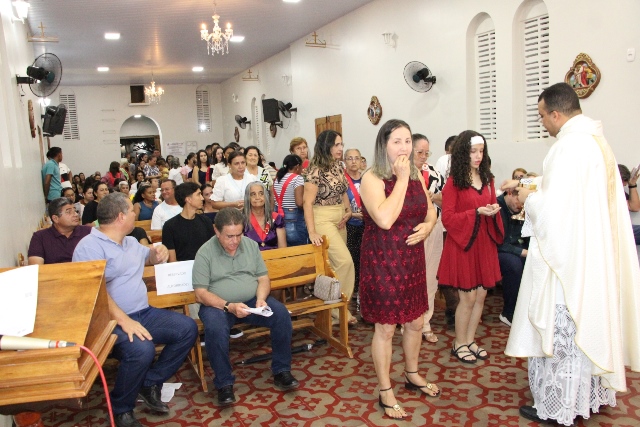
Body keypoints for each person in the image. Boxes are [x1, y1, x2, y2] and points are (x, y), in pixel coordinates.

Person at [503, 82, 640, 425]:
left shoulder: (567, 147)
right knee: (585, 328)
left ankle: (557, 407)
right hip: (590, 254)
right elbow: (573, 192)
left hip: (568, 262)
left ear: (555, 114)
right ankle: (586, 397)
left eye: (541, 116)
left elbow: (553, 211)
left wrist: (528, 197)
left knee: (562, 332)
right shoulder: (594, 141)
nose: (542, 123)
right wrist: (534, 183)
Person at [72, 192, 198, 427]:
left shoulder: (129, 242)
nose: (135, 214)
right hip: (109, 322)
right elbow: (96, 292)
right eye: (131, 211)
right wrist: (124, 320)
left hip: (143, 312)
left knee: (187, 328)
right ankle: (122, 409)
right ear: (121, 216)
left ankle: (148, 382)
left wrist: (158, 252)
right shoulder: (89, 247)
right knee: (142, 350)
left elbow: (149, 258)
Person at [359, 119, 439, 420]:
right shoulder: (372, 178)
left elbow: (429, 210)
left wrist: (429, 225)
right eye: (397, 141)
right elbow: (384, 219)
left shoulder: (417, 174)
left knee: (416, 321)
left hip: (412, 259)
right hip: (383, 260)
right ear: (384, 145)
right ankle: (385, 390)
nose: (404, 147)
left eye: (407, 141)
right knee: (386, 327)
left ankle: (412, 373)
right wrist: (402, 179)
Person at [192, 208, 299, 406]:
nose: (235, 241)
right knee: (215, 328)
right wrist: (228, 306)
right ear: (216, 231)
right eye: (229, 236)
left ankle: (282, 370)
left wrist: (261, 298)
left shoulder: (249, 245)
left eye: (238, 235)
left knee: (281, 315)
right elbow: (200, 293)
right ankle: (224, 383)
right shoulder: (205, 252)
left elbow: (263, 278)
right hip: (217, 304)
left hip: (251, 302)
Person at [438, 130, 504, 364]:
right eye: (473, 151)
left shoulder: (487, 178)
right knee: (468, 297)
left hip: (484, 242)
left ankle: (470, 339)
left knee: (481, 296)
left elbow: (491, 203)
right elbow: (448, 218)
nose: (478, 156)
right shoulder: (454, 183)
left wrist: (493, 210)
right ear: (463, 153)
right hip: (464, 243)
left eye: (481, 151)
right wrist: (475, 212)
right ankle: (459, 343)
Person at [303, 130, 357, 325]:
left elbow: (343, 191)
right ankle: (338, 308)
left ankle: (333, 308)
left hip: (339, 217)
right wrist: (312, 231)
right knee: (345, 262)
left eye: (341, 144)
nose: (340, 148)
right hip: (322, 218)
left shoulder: (338, 166)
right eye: (336, 145)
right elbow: (307, 203)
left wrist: (348, 210)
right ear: (326, 146)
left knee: (333, 267)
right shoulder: (314, 170)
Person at [412, 133, 444, 343]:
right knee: (412, 278)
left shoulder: (433, 173)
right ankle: (410, 322)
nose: (424, 157)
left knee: (430, 278)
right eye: (420, 152)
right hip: (412, 230)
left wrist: (434, 197)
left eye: (427, 153)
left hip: (435, 226)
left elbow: (445, 198)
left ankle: (425, 323)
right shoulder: (400, 173)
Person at [495, 188, 528, 327]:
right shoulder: (496, 207)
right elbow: (498, 242)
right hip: (497, 250)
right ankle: (509, 313)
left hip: (514, 248)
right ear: (509, 193)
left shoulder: (520, 208)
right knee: (514, 265)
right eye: (518, 200)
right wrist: (522, 252)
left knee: (534, 261)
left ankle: (526, 311)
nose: (520, 205)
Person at [28, 197, 91, 265]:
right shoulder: (40, 237)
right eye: (69, 212)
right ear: (55, 218)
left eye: (75, 211)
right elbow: (36, 268)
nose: (76, 215)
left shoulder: (88, 232)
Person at [162, 182, 214, 262]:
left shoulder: (206, 221)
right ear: (188, 199)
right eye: (198, 194)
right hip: (181, 268)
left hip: (205, 266)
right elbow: (172, 261)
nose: (202, 198)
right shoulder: (169, 226)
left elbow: (213, 250)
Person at [343, 148, 364, 310]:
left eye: (356, 158)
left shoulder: (367, 179)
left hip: (366, 225)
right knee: (352, 258)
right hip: (350, 225)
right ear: (345, 161)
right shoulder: (342, 181)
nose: (354, 161)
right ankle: (353, 290)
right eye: (350, 158)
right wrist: (355, 215)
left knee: (364, 259)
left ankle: (362, 290)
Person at [273, 154, 308, 246]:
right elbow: (299, 202)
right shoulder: (298, 178)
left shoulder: (277, 179)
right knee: (299, 247)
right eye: (301, 166)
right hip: (294, 218)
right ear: (297, 167)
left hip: (279, 217)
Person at [243, 182, 285, 250]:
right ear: (248, 198)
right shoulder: (242, 220)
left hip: (274, 256)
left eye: (261, 193)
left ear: (266, 196)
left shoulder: (277, 218)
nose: (257, 197)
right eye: (253, 194)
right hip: (252, 256)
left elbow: (283, 249)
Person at [618, 164, 640, 244]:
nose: (623, 187)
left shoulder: (619, 193)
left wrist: (632, 184)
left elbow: (634, 207)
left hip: (621, 228)